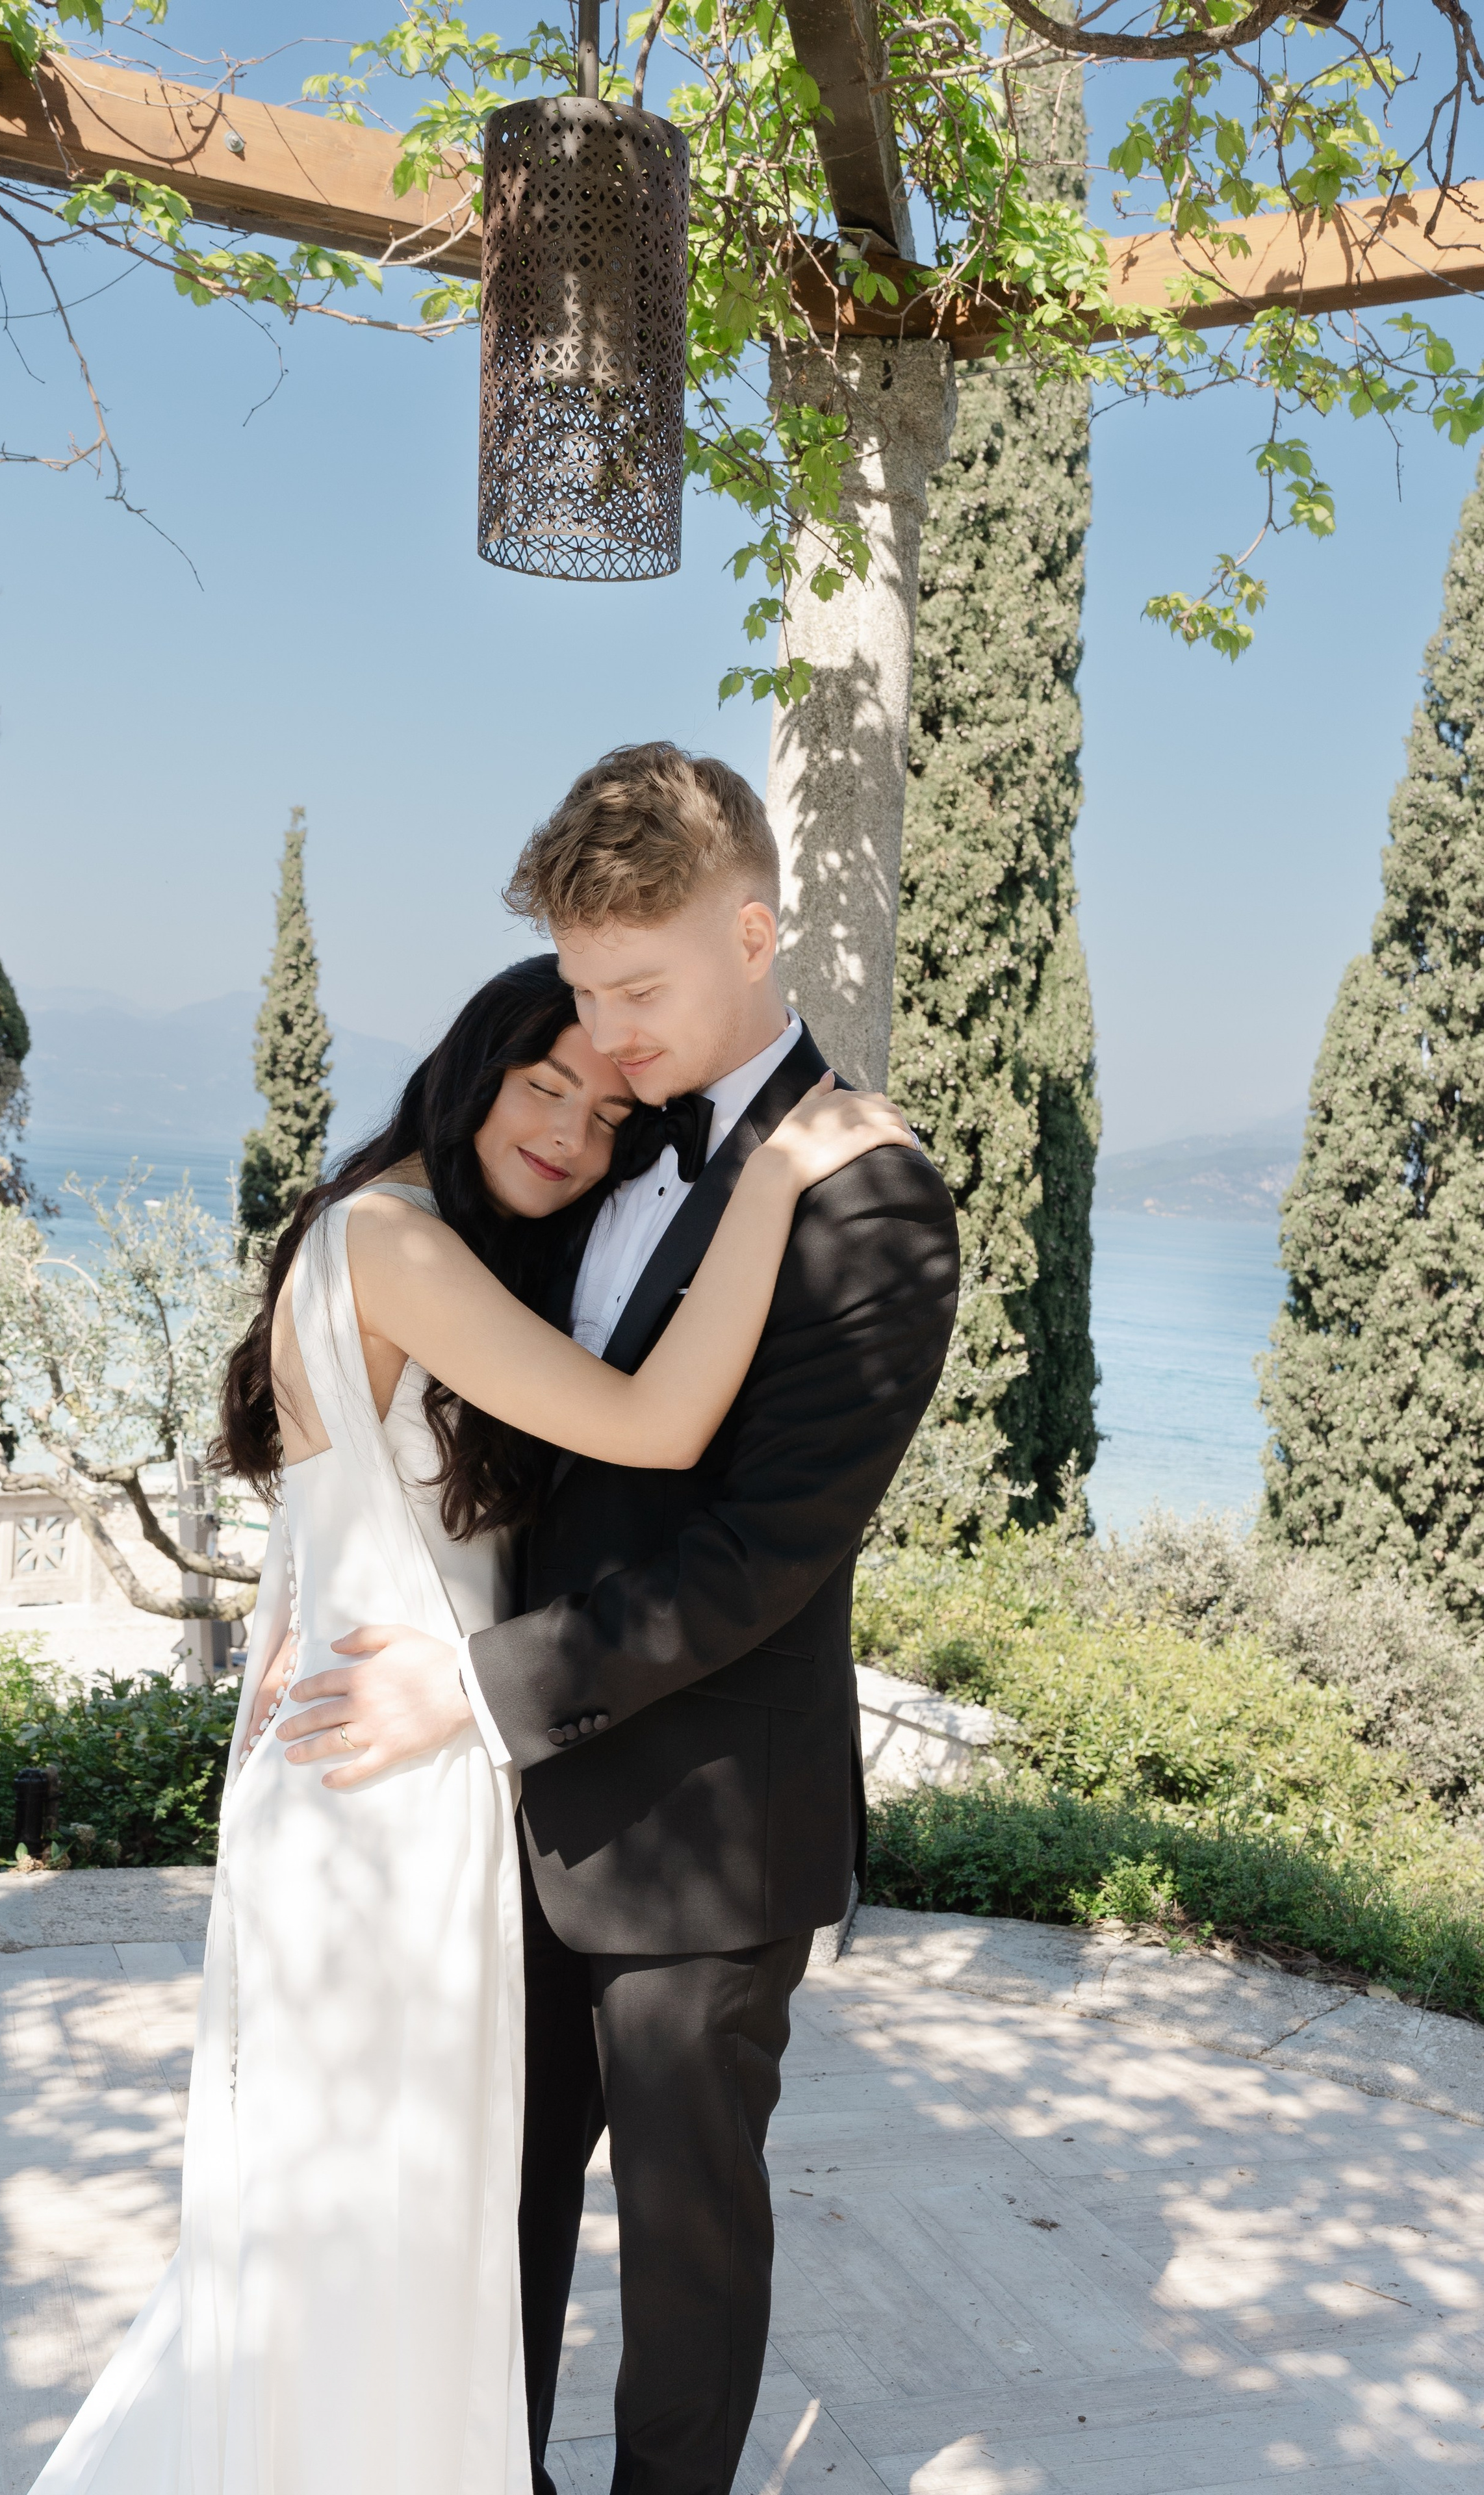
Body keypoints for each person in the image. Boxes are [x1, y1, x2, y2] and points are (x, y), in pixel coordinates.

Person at [29, 949, 915, 2495]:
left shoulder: (386, 1232)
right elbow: (653, 1425)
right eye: (541, 1083)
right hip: (393, 1780)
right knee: (380, 2213)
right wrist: (771, 1183)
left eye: (602, 1107)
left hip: (388, 1765)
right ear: (471, 1071)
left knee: (367, 2216)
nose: (572, 1129)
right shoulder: (404, 1246)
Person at [293, 745, 962, 2495]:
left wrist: (476, 1691)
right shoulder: (598, 1142)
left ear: (753, 933)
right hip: (501, 1829)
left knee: (683, 2270)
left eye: (640, 986)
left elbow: (763, 1552)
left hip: (706, 1835)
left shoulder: (873, 1200)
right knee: (486, 2231)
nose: (608, 1031)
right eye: (583, 988)